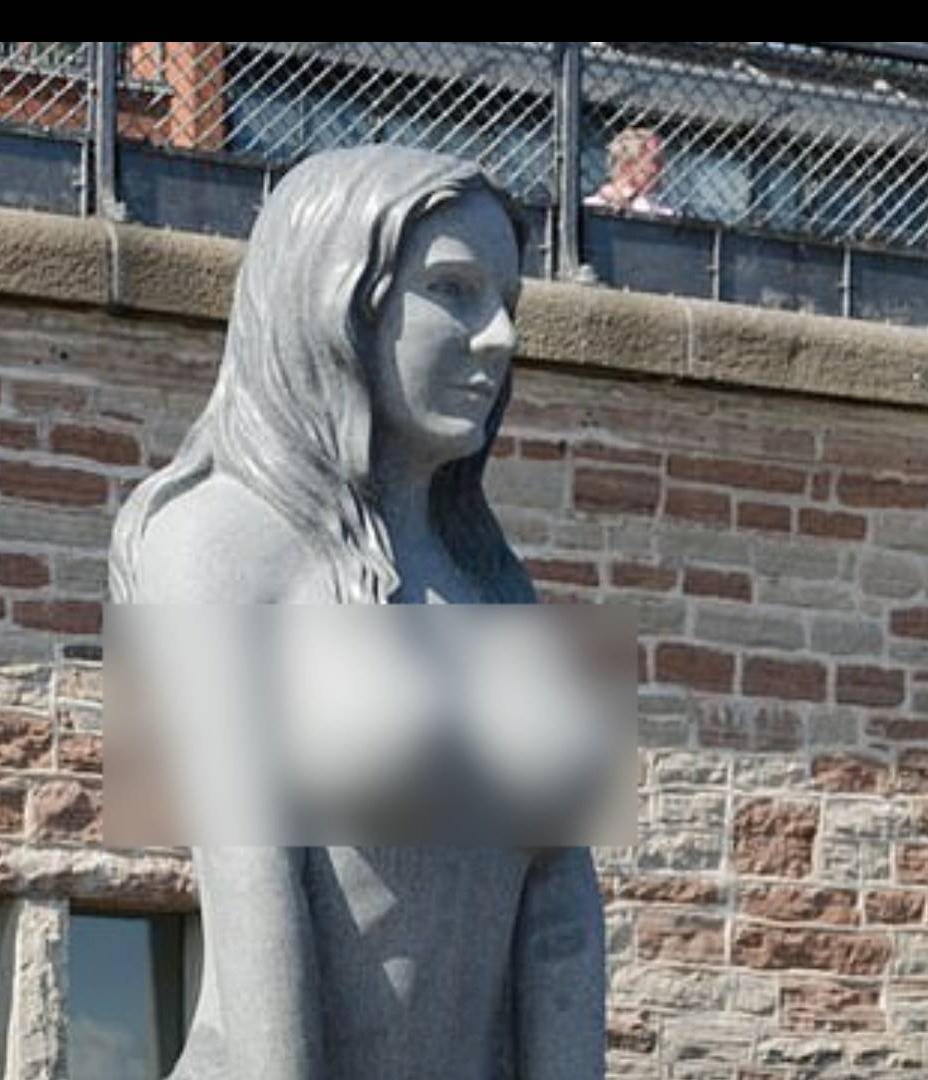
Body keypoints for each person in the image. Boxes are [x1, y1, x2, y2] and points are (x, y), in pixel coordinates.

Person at [111, 145, 605, 1079]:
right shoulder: (212, 539)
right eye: (453, 291)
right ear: (335, 297)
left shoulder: (498, 582)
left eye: (507, 301)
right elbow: (252, 881)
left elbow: (562, 910)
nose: (499, 336)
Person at [584, 126, 675, 216]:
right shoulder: (590, 208)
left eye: (661, 161)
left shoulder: (662, 211)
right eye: (654, 160)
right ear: (627, 166)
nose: (659, 169)